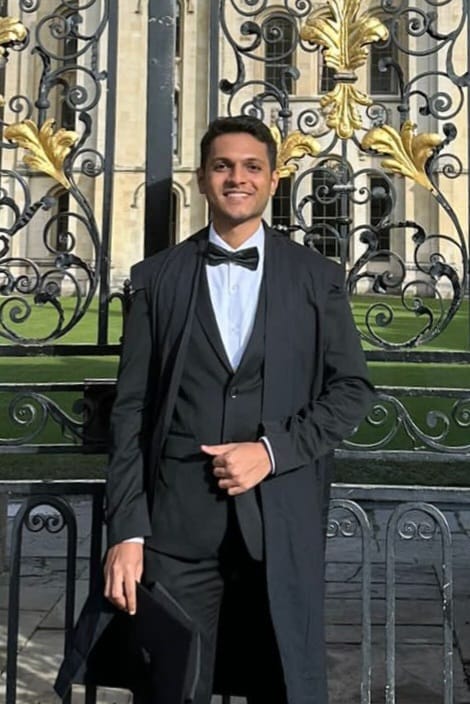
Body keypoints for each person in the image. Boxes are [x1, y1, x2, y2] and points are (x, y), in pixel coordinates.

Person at [103, 115, 375, 704]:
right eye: (223, 166)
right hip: (176, 532)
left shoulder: (316, 277)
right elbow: (131, 412)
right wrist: (126, 531)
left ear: (274, 180)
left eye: (252, 167)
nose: (237, 178)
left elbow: (352, 389)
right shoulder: (155, 279)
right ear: (203, 178)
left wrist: (270, 453)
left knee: (282, 687)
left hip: (278, 527)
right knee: (171, 688)